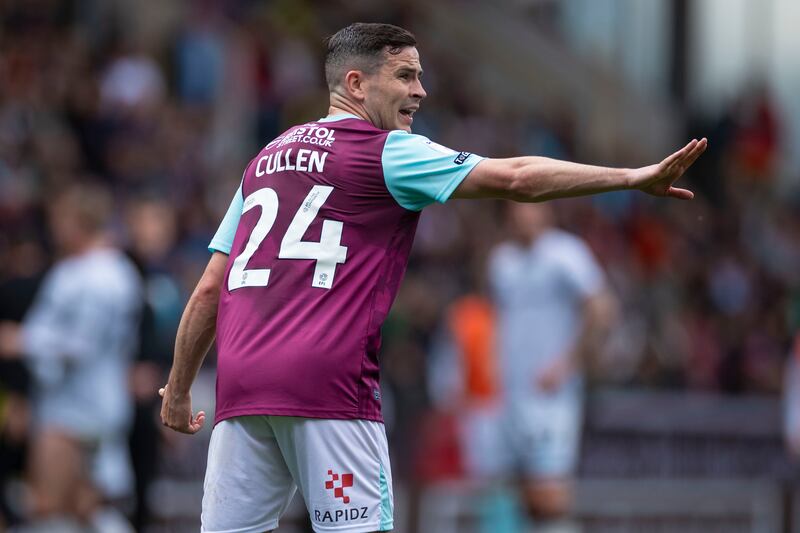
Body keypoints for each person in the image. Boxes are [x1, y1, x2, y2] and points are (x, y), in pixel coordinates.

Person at [158, 22, 707, 533]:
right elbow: (515, 178)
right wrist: (633, 176)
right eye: (404, 75)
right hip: (328, 387)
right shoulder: (384, 151)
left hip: (242, 385)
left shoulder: (265, 160)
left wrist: (180, 388)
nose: (421, 91)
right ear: (356, 83)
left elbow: (212, 285)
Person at [0, 182, 142, 532]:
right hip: (82, 400)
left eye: (60, 219)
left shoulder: (102, 275)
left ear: (78, 221)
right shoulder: (93, 269)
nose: (54, 229)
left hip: (76, 406)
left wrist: (23, 340)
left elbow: (83, 343)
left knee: (49, 505)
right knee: (83, 506)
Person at [485, 202, 616, 532]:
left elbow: (603, 309)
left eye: (530, 206)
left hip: (551, 396)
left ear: (546, 209)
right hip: (512, 393)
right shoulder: (501, 262)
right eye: (515, 208)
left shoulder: (565, 253)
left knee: (551, 498)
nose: (522, 214)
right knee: (522, 498)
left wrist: (567, 365)